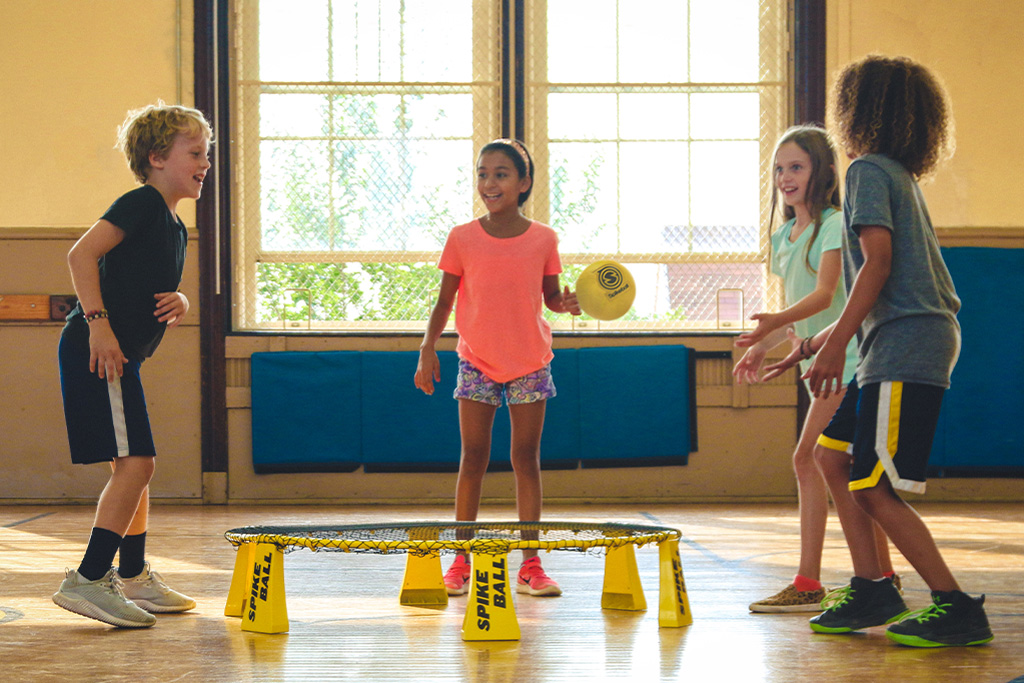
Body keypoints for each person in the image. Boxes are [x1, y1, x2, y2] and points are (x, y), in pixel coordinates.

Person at [764, 55, 993, 647]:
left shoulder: (867, 170)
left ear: (857, 109)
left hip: (907, 344)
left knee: (870, 484)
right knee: (829, 458)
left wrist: (835, 345)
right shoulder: (894, 173)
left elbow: (880, 266)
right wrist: (813, 343)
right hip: (889, 344)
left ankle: (956, 605)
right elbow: (879, 280)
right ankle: (872, 586)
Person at [52, 103, 213, 627]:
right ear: (157, 157)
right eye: (195, 152)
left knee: (136, 468)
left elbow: (146, 283)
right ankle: (90, 579)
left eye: (206, 154)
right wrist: (98, 323)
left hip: (122, 359)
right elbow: (81, 255)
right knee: (137, 465)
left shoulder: (173, 225)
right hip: (100, 350)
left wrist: (182, 301)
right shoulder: (141, 202)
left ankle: (136, 575)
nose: (204, 162)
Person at [734, 125, 899, 613]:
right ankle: (882, 576)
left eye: (797, 167)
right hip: (818, 362)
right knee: (838, 470)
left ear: (822, 171)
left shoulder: (834, 223)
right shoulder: (785, 235)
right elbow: (793, 305)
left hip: (847, 359)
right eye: (779, 168)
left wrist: (778, 327)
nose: (786, 176)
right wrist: (763, 344)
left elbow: (826, 294)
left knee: (809, 459)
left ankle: (811, 582)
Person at [414, 138, 580, 598]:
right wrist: (427, 348)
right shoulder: (462, 237)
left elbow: (549, 296)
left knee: (526, 459)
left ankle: (530, 564)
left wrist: (563, 303)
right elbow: (444, 301)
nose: (489, 183)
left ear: (524, 182)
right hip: (477, 362)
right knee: (473, 459)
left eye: (501, 174)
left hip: (529, 362)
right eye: (483, 173)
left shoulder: (544, 238)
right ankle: (460, 561)